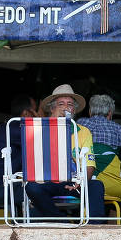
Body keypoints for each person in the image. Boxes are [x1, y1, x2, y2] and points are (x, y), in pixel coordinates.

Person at [23, 84, 105, 223]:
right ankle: (62, 221)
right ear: (52, 108)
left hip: (74, 181)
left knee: (96, 186)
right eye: (61, 104)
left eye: (70, 104)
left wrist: (82, 181)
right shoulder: (39, 130)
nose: (66, 108)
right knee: (31, 187)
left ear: (74, 110)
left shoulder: (83, 131)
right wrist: (55, 126)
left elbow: (90, 164)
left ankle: (94, 230)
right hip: (46, 181)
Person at [78, 93, 121, 208]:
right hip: (112, 184)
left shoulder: (80, 124)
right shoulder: (117, 128)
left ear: (90, 111)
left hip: (82, 183)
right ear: (110, 113)